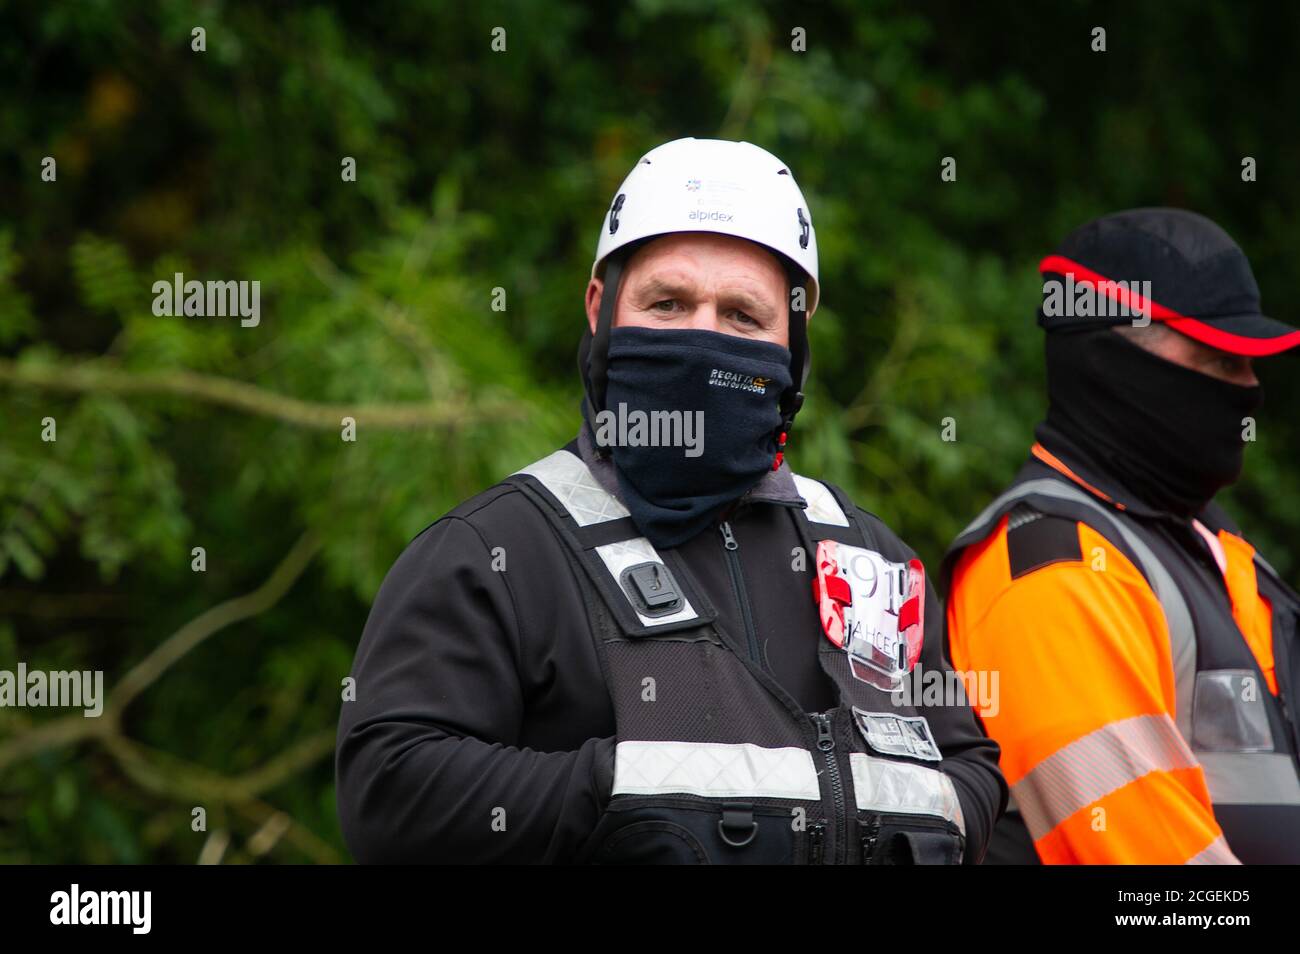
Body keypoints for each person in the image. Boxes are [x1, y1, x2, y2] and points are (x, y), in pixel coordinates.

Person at [336, 137, 1006, 864]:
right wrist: (624, 795)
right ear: (601, 309)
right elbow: (388, 789)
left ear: (795, 345)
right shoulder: (494, 553)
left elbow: (969, 768)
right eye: (668, 303)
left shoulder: (869, 559)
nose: (703, 340)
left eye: (742, 317)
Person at [944, 208, 1300, 864]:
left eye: (1251, 364)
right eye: (1220, 361)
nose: (1250, 389)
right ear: (1110, 363)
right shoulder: (1054, 569)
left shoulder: (1211, 550)